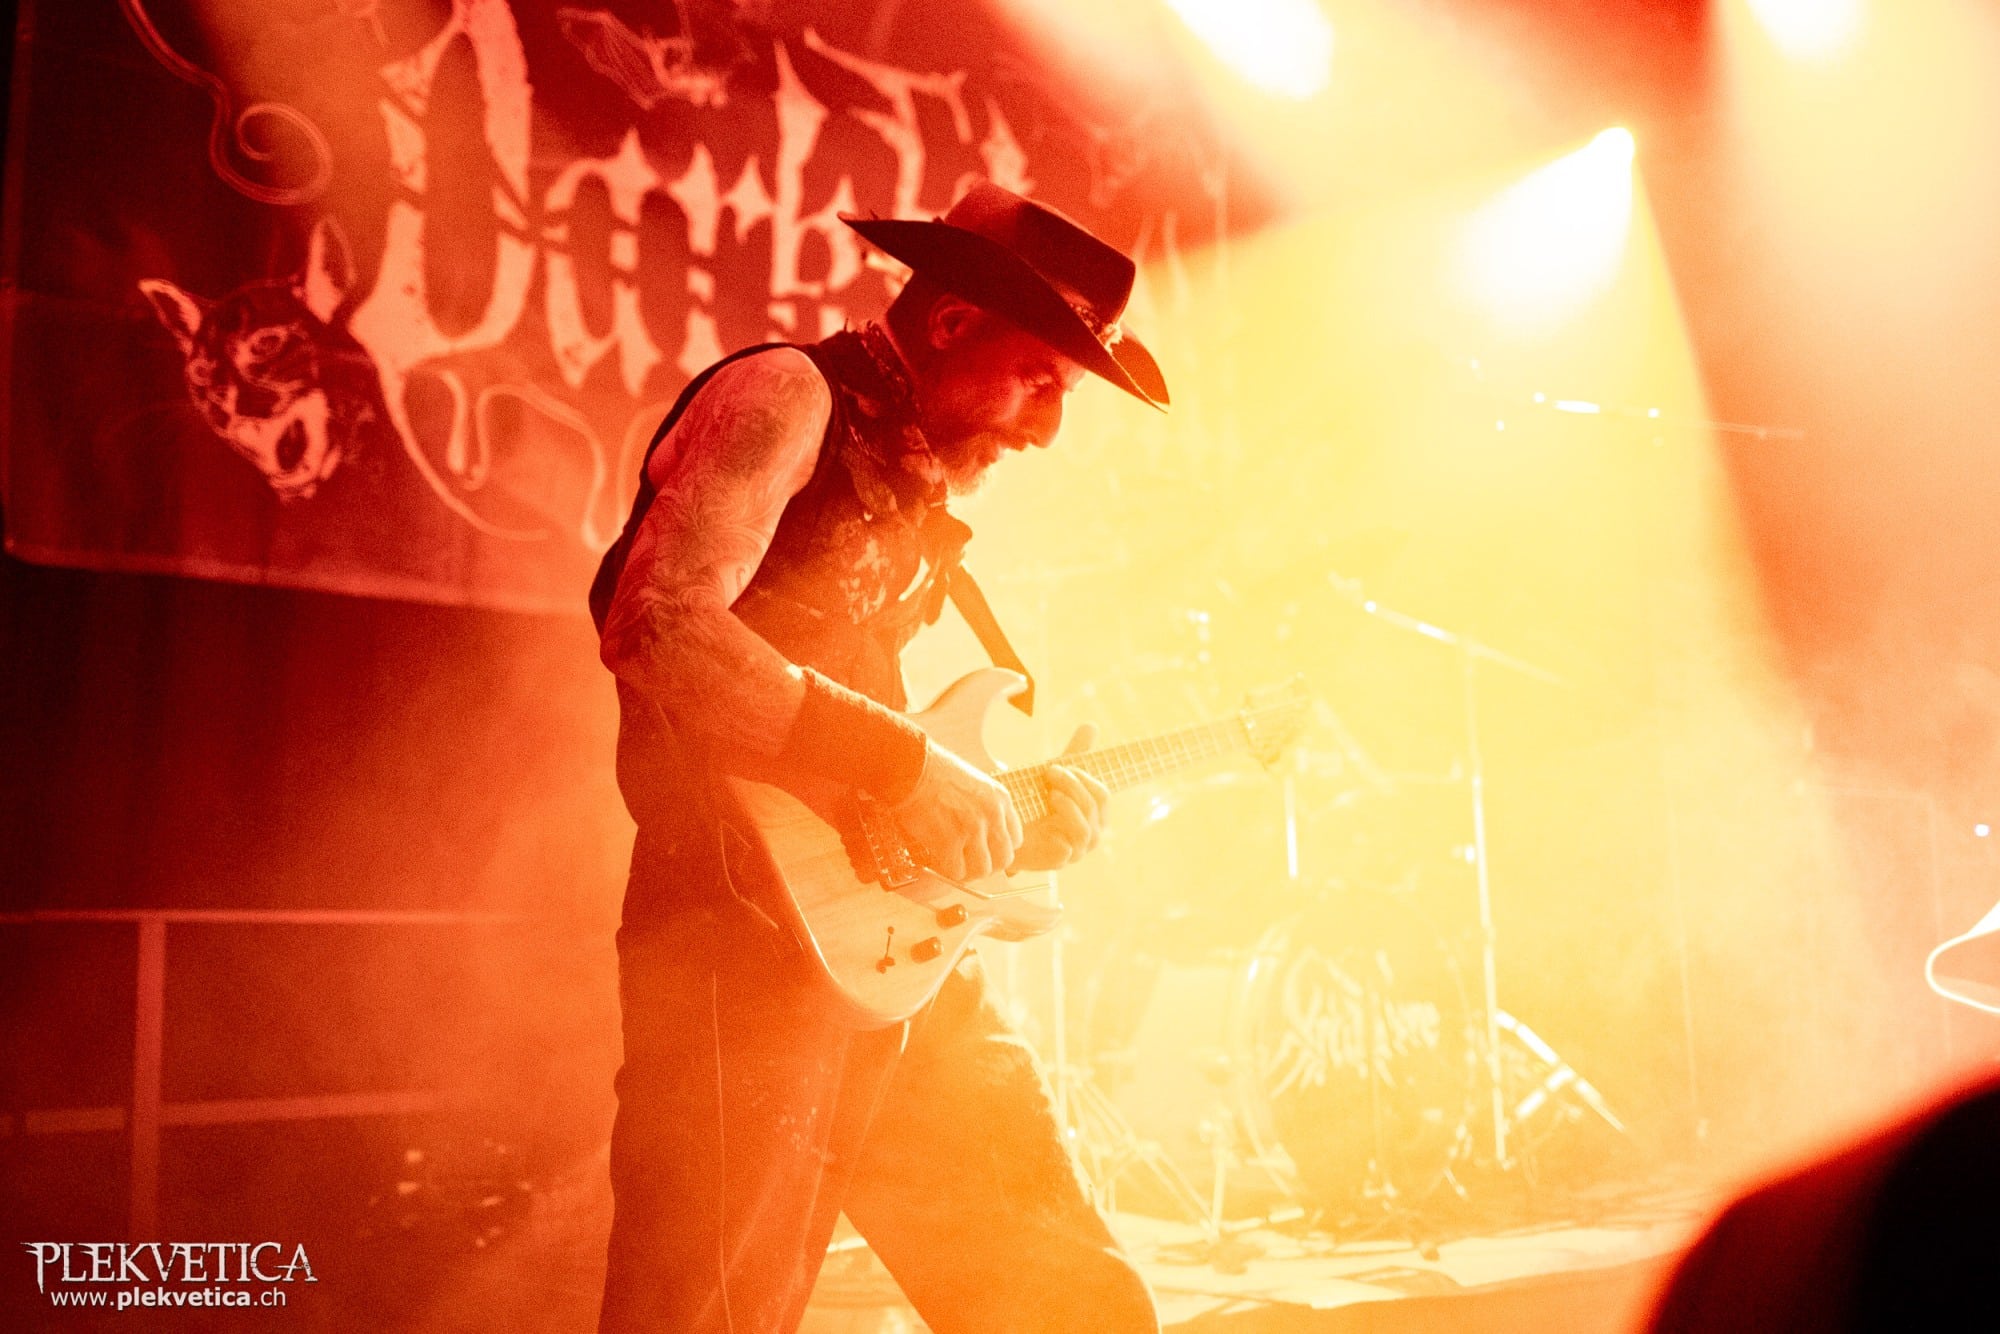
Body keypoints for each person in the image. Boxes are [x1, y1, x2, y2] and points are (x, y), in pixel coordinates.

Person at [588, 180, 1171, 1333]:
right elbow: (655, 625)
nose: (1045, 428)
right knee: (704, 1315)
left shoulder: (914, 480)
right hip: (732, 943)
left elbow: (877, 756)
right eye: (1039, 379)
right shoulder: (785, 393)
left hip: (891, 948)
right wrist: (907, 767)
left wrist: (996, 823)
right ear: (950, 320)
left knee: (1069, 1302)